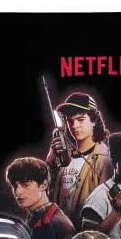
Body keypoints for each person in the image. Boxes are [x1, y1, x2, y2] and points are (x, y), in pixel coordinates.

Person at [46, 92, 113, 221]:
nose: (74, 125)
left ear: (94, 120)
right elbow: (47, 194)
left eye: (80, 119)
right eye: (70, 121)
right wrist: (51, 159)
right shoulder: (64, 157)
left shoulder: (104, 160)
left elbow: (107, 207)